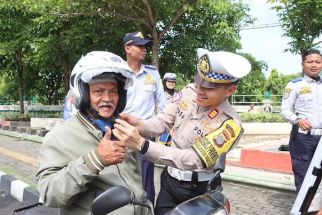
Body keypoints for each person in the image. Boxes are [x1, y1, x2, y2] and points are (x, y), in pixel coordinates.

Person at [113, 48, 251, 214]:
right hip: (170, 182)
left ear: (230, 91)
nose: (200, 90)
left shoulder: (230, 125)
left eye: (209, 87)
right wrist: (140, 125)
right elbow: (163, 122)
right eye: (199, 82)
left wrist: (142, 144)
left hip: (199, 191)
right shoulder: (189, 92)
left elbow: (193, 159)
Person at [35, 51, 148, 215]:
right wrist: (94, 161)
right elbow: (49, 194)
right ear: (84, 94)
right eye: (98, 91)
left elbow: (137, 186)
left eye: (113, 91)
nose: (108, 98)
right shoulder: (60, 137)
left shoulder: (122, 130)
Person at [122, 31, 166, 204]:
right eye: (139, 45)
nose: (144, 49)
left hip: (146, 133)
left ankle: (147, 210)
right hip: (123, 132)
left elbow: (162, 104)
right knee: (121, 175)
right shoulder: (119, 73)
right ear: (127, 48)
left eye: (145, 46)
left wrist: (165, 132)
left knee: (146, 180)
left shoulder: (152, 74)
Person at [281, 49, 322, 192]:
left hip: (321, 139)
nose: (314, 65)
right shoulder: (294, 85)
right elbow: (285, 110)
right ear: (303, 64)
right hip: (302, 139)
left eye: (318, 62)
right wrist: (297, 120)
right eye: (310, 62)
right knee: (303, 178)